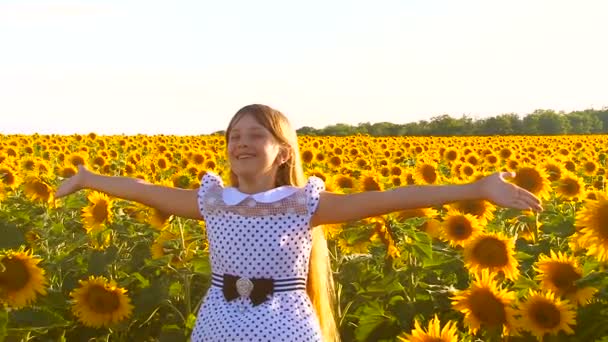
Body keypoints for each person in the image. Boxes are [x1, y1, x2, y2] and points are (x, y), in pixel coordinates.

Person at [54, 104, 543, 342]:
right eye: (233, 136)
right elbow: (142, 190)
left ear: (283, 150)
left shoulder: (303, 204)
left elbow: (395, 198)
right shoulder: (213, 201)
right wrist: (89, 178)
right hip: (219, 321)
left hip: (284, 325)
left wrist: (477, 189)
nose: (240, 143)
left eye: (253, 136)